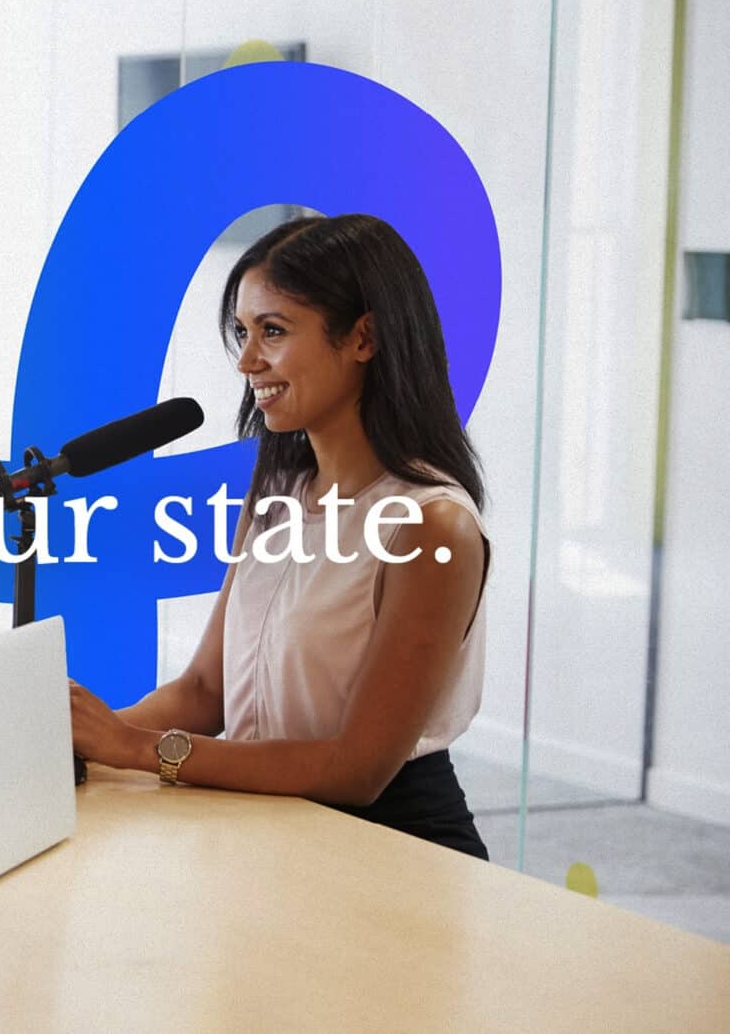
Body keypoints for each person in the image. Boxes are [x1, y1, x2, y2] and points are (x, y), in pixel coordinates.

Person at [69, 213, 491, 859]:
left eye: (273, 331)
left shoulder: (432, 526)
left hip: (393, 850)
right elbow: (204, 693)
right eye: (242, 331)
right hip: (265, 829)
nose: (246, 360)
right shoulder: (276, 498)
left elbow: (357, 769)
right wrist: (69, 740)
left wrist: (132, 749)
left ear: (364, 339)